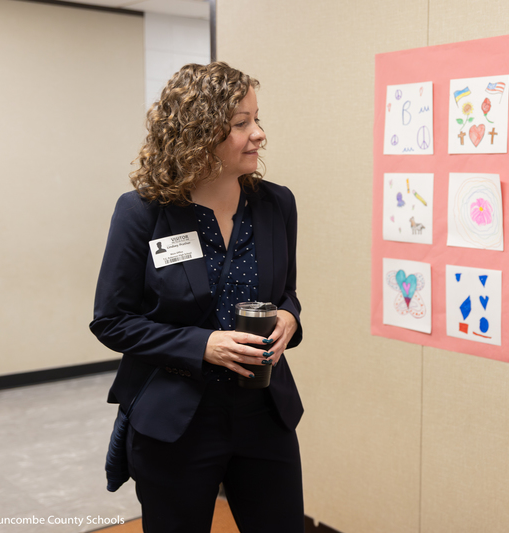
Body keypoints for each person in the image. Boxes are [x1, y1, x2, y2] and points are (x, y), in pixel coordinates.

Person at [90, 62, 304, 533]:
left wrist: (289, 316)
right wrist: (201, 345)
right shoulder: (143, 211)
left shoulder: (276, 204)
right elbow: (111, 320)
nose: (259, 134)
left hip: (264, 411)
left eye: (257, 118)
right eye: (241, 123)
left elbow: (285, 292)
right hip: (177, 419)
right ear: (200, 133)